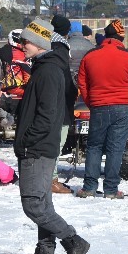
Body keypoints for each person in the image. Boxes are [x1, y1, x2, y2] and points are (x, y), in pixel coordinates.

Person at [0, 18, 90, 254]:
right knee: (43, 205)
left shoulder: (47, 71)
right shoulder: (46, 67)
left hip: (38, 148)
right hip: (41, 146)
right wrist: (5, 102)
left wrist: (27, 141)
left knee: (33, 205)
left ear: (38, 42)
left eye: (25, 41)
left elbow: (46, 115)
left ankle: (74, 242)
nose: (21, 45)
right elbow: (32, 106)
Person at [76, 20, 128, 199]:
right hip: (123, 106)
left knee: (94, 146)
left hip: (99, 105)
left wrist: (90, 101)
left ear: (106, 36)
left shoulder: (90, 55)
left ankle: (89, 187)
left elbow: (82, 82)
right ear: (121, 37)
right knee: (116, 147)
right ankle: (111, 189)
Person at [48, 15, 76, 195]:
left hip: (50, 99)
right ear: (67, 32)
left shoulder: (47, 44)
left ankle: (49, 177)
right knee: (57, 141)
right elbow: (65, 78)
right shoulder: (61, 49)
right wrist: (73, 92)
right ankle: (52, 179)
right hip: (60, 102)